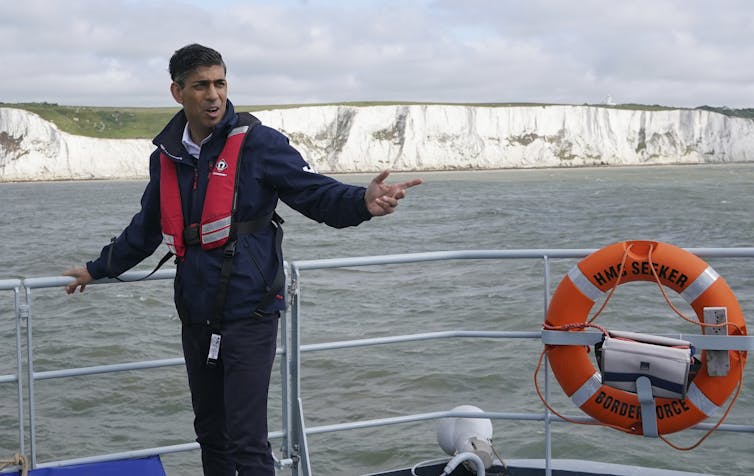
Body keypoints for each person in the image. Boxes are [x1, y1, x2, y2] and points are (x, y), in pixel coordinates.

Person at [63, 43, 422, 476]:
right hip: (196, 314)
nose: (213, 95)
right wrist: (96, 269)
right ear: (178, 92)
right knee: (211, 435)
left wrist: (362, 201)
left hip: (250, 313)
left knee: (248, 442)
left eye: (220, 83)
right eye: (201, 86)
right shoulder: (166, 158)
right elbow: (145, 230)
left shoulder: (258, 144)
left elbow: (316, 194)